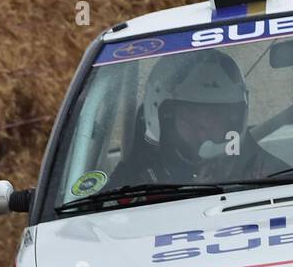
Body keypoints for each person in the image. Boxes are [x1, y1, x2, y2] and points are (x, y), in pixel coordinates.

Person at [115, 49, 284, 186]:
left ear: (235, 117)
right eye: (192, 112)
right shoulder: (136, 175)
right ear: (165, 116)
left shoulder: (262, 170)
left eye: (216, 114)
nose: (205, 124)